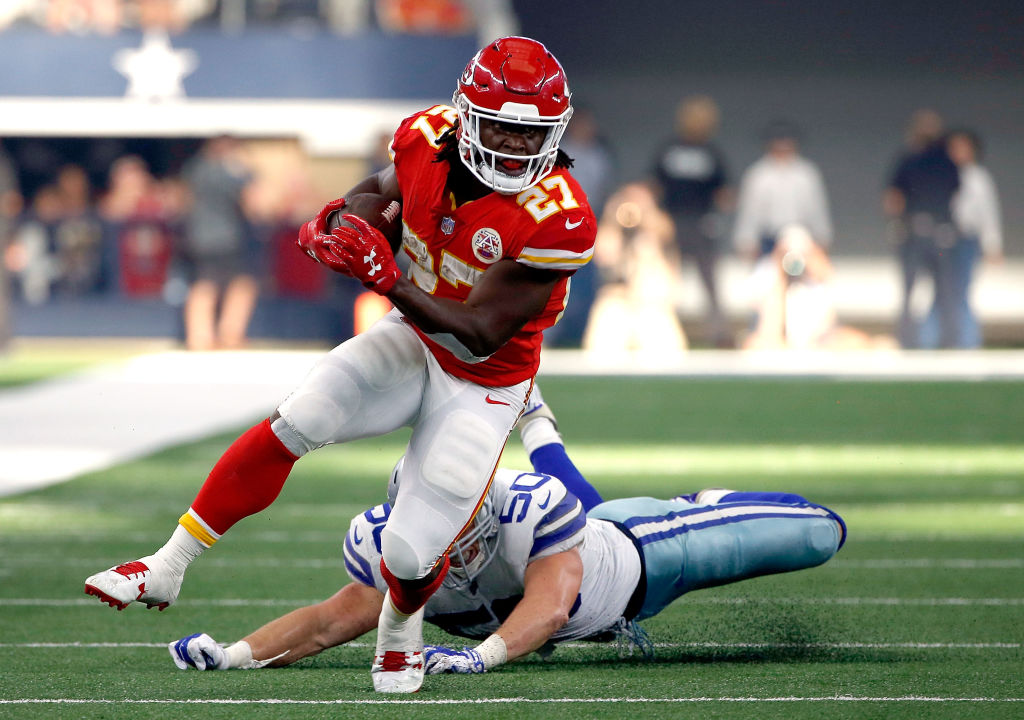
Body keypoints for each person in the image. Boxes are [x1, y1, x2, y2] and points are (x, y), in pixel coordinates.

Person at [84, 36, 597, 695]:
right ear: (466, 116)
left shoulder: (561, 217)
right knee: (303, 414)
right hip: (414, 334)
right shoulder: (424, 138)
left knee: (409, 552)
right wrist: (342, 224)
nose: (514, 148)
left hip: (485, 379)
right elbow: (379, 194)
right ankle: (168, 563)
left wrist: (390, 280)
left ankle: (399, 633)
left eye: (531, 136)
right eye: (500, 127)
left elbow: (481, 331)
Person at [165, 389, 846, 676]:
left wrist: (479, 658)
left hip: (639, 557)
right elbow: (324, 624)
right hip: (583, 571)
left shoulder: (527, 510)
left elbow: (549, 609)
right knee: (584, 513)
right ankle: (538, 419)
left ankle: (701, 499)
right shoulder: (388, 545)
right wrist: (233, 656)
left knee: (820, 536)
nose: (442, 536)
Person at [651, 95, 731, 346]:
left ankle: (719, 333)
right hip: (671, 222)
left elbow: (723, 191)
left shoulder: (711, 153)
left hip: (701, 223)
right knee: (667, 277)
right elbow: (655, 185)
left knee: (709, 280)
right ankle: (663, 330)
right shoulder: (670, 149)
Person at [882, 109, 960, 348]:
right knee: (935, 291)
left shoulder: (923, 159)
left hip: (926, 233)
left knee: (930, 290)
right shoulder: (943, 161)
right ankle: (932, 342)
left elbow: (893, 198)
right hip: (931, 233)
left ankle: (925, 341)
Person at [919, 128, 1003, 349]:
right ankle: (928, 342)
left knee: (962, 289)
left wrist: (992, 245)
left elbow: (988, 213)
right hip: (941, 239)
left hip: (966, 240)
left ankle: (967, 343)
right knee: (939, 289)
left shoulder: (978, 178)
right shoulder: (938, 173)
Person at [180, 135, 258, 351]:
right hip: (225, 237)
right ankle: (229, 334)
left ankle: (199, 336)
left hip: (198, 236)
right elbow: (250, 200)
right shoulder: (227, 170)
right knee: (238, 284)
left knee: (205, 283)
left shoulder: (195, 167)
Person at [732, 120, 832, 260]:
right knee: (768, 277)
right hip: (769, 239)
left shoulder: (806, 173)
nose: (783, 146)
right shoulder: (758, 174)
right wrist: (746, 240)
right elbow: (750, 210)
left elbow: (816, 207)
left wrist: (822, 236)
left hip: (802, 239)